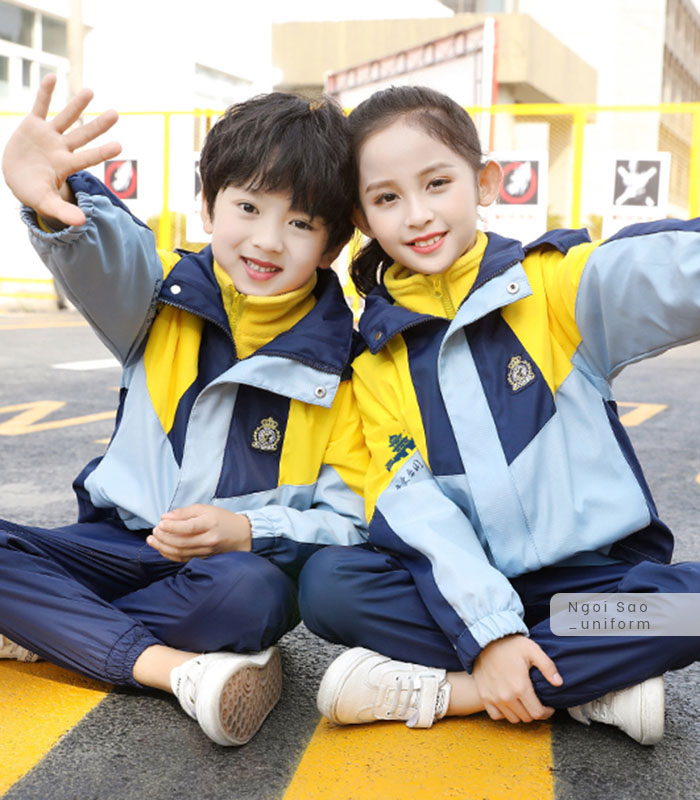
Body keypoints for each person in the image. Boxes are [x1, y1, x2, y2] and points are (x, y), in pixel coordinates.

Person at [298, 84, 700, 746]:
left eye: (437, 183)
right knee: (330, 585)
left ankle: (454, 691)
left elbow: (665, 269)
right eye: (387, 198)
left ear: (484, 182)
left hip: (591, 594)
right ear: (363, 219)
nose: (418, 214)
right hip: (464, 592)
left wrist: (497, 647)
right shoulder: (373, 363)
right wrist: (491, 634)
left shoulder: (552, 288)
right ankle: (587, 683)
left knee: (690, 607)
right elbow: (412, 508)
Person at [0, 75, 368, 747]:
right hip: (115, 546)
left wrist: (247, 528)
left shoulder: (345, 367)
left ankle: (48, 623)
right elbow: (106, 253)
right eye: (248, 206)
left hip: (223, 574)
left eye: (300, 223)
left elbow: (349, 520)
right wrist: (53, 201)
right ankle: (176, 669)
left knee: (254, 598)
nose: (268, 240)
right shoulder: (159, 295)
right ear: (207, 206)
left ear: (332, 246)